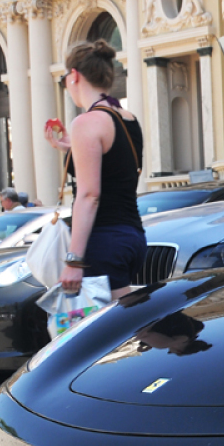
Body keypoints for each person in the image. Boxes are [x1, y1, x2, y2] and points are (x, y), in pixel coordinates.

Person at [43, 39, 146, 299]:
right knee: (124, 329)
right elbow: (115, 172)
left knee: (103, 335)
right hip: (132, 237)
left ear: (74, 76)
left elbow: (89, 195)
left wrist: (74, 261)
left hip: (103, 242)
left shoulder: (86, 122)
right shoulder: (126, 117)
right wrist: (70, 149)